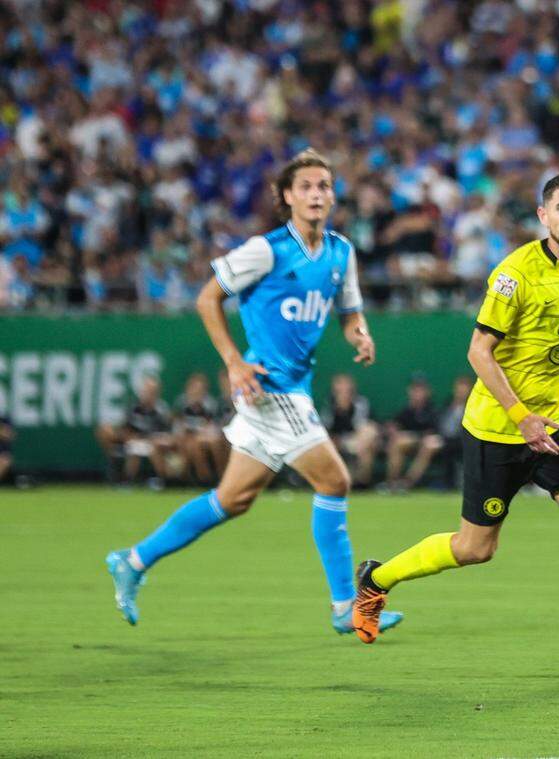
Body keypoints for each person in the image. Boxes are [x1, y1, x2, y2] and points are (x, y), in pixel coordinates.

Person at [105, 149, 402, 634]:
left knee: (232, 498)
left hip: (295, 389)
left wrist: (360, 334)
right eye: (304, 186)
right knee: (335, 481)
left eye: (323, 185)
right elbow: (207, 297)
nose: (315, 194)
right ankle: (345, 607)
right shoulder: (265, 250)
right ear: (286, 197)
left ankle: (134, 560)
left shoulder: (340, 251)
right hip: (269, 388)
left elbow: (349, 313)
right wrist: (233, 361)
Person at [352, 173, 559, 687]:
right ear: (543, 217)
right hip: (498, 427)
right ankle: (376, 578)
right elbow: (478, 351)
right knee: (476, 548)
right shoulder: (514, 273)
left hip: (554, 422)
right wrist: (521, 417)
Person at [384, 375, 444, 490]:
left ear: (427, 392)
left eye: (421, 390)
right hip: (411, 444)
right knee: (397, 442)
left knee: (429, 444)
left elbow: (433, 432)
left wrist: (414, 436)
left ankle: (407, 483)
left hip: (428, 444)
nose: (417, 393)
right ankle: (392, 482)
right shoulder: (407, 410)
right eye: (415, 390)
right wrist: (392, 429)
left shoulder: (433, 410)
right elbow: (395, 424)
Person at [323, 373, 382, 487]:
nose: (343, 389)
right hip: (339, 442)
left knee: (369, 434)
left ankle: (361, 482)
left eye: (346, 385)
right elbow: (326, 428)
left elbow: (364, 428)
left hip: (360, 442)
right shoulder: (330, 406)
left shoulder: (361, 403)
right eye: (340, 386)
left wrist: (356, 443)